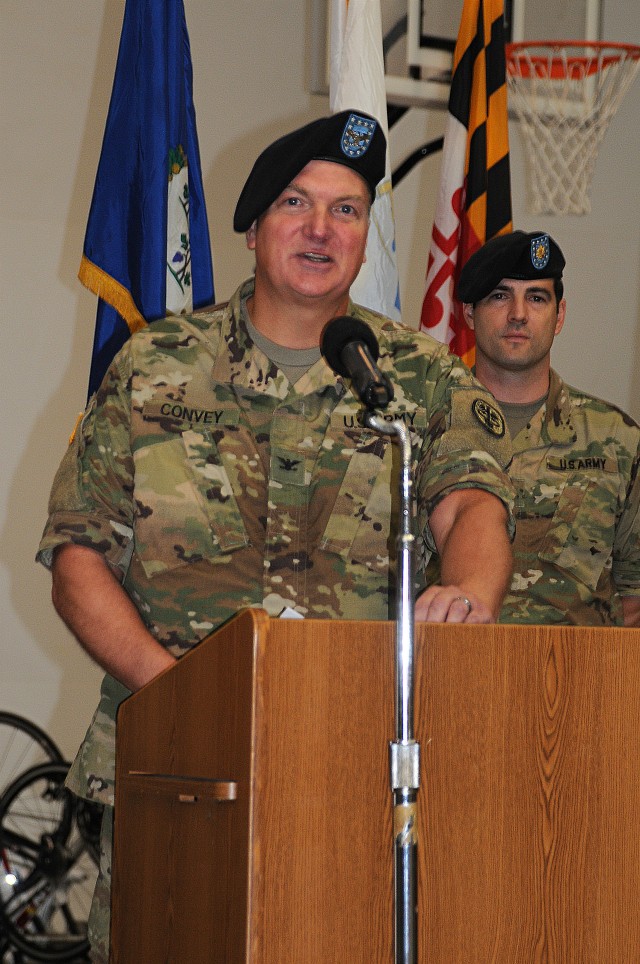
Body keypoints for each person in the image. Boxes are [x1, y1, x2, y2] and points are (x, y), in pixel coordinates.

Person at [37, 110, 515, 962]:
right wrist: (185, 696)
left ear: (367, 236)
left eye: (347, 210)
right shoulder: (155, 367)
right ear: (255, 228)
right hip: (175, 771)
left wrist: (471, 595)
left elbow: (474, 505)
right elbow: (78, 555)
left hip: (357, 769)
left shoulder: (417, 378)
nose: (321, 229)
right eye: (297, 204)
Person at [457, 229, 640, 626]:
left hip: (579, 680)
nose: (518, 314)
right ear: (469, 313)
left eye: (537, 298)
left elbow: (635, 595)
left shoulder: (616, 440)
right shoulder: (428, 427)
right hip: (452, 674)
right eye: (500, 296)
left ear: (559, 316)